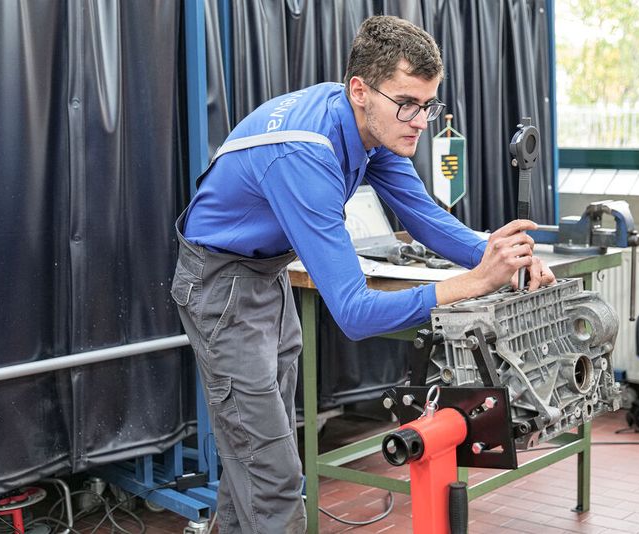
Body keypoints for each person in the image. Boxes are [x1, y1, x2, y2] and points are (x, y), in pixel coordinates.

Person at [170, 15, 554, 534]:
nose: (420, 120)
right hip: (221, 286)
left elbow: (427, 221)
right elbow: (353, 313)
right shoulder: (306, 155)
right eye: (408, 104)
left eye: (428, 104)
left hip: (266, 275)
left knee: (251, 456)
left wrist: (502, 256)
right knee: (275, 476)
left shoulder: (371, 124)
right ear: (360, 90)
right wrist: (473, 282)